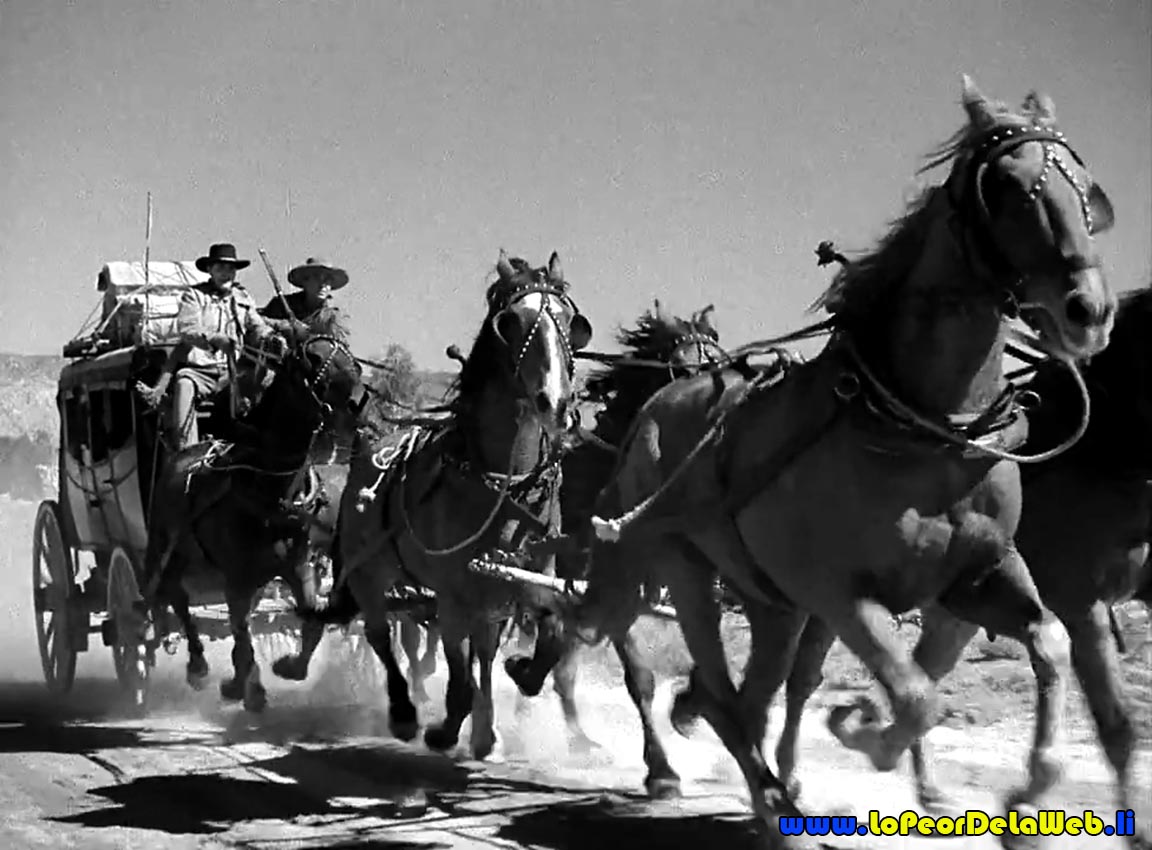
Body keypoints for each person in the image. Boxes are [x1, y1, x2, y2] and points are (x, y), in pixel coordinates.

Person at [137, 242, 277, 449]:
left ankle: (271, 446)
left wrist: (271, 337)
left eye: (230, 269)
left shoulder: (243, 298)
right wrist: (214, 338)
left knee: (272, 382)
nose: (226, 274)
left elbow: (256, 326)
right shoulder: (193, 296)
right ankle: (187, 452)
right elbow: (188, 329)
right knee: (184, 384)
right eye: (220, 268)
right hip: (200, 372)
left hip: (233, 374)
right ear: (210, 270)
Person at [260, 256, 351, 342]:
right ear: (305, 281)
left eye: (327, 280)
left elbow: (338, 345)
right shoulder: (280, 304)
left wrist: (306, 333)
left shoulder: (332, 317)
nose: (322, 285)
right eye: (317, 278)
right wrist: (284, 326)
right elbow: (258, 321)